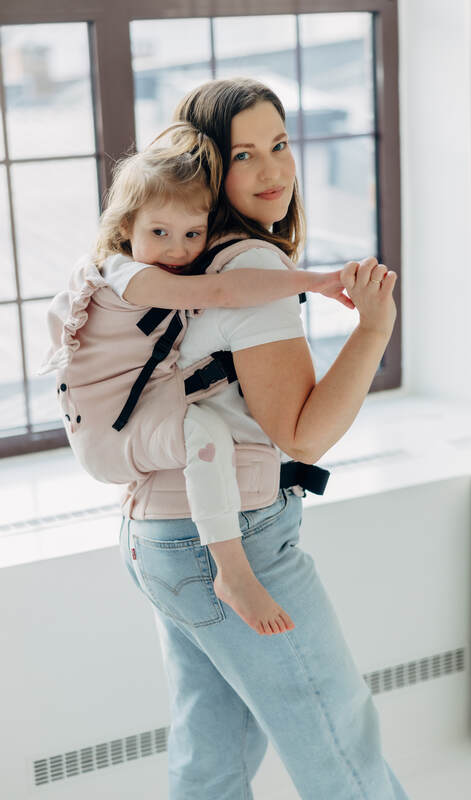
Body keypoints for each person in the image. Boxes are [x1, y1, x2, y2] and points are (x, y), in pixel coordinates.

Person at [119, 78, 410, 799]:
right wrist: (374, 327)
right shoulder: (249, 265)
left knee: (210, 758)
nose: (273, 170)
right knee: (340, 745)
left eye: (279, 144)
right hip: (234, 542)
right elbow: (302, 437)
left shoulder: (183, 258)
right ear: (206, 167)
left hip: (161, 535)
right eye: (243, 155)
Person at [41, 121, 354, 636]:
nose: (178, 250)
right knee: (202, 432)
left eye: (192, 234)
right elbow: (226, 293)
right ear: (126, 228)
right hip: (110, 437)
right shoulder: (129, 275)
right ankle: (232, 572)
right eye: (159, 233)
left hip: (130, 442)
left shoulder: (159, 264)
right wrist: (319, 282)